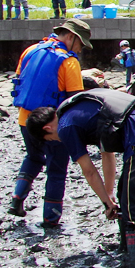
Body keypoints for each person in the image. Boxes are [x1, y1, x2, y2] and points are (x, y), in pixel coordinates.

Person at [25, 89, 135, 268]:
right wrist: (109, 195)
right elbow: (107, 153)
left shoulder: (65, 127)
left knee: (134, 198)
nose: (55, 140)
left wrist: (105, 202)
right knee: (124, 192)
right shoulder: (80, 111)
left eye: (50, 139)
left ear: (47, 129)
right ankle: (126, 251)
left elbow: (89, 171)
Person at [7, 18, 91, 226]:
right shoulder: (69, 62)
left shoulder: (30, 51)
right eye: (80, 45)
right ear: (71, 37)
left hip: (25, 121)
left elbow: (19, 80)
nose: (79, 50)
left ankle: (17, 198)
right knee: (56, 171)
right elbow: (74, 101)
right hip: (53, 127)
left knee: (33, 157)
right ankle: (50, 218)